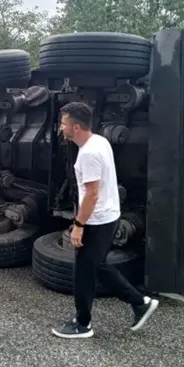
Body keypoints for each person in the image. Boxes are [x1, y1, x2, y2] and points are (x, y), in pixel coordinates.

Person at [51, 101, 159, 339]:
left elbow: (92, 194)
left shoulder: (89, 153)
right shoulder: (100, 141)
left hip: (96, 220)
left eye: (64, 124)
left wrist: (79, 225)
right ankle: (136, 304)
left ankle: (84, 324)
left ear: (76, 127)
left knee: (85, 271)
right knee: (94, 267)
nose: (61, 128)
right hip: (109, 215)